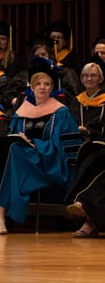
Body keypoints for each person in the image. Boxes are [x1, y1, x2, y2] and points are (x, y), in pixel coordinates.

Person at [0, 57, 80, 234]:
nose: (42, 87)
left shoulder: (60, 112)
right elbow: (12, 136)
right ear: (31, 87)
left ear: (52, 88)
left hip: (50, 163)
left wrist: (34, 144)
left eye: (47, 84)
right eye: (38, 84)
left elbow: (66, 147)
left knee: (14, 154)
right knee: (9, 152)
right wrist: (20, 138)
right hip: (25, 160)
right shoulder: (21, 112)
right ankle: (0, 218)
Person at [65, 62, 105, 237]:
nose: (89, 78)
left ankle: (83, 206)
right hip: (84, 145)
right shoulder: (76, 101)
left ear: (101, 79)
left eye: (93, 75)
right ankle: (86, 213)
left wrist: (89, 131)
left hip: (98, 143)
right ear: (81, 79)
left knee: (94, 156)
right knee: (91, 155)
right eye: (86, 75)